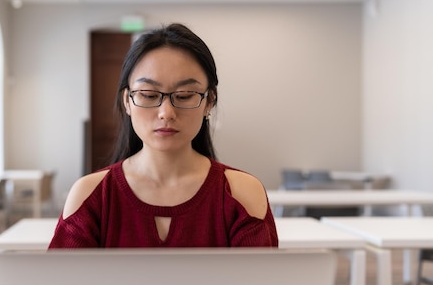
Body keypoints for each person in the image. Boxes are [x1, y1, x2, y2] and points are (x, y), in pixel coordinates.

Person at [49, 23, 277, 248]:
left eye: (185, 95)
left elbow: (261, 284)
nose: (166, 113)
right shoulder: (92, 195)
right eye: (148, 94)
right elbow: (59, 284)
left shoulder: (241, 193)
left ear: (209, 102)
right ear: (127, 101)